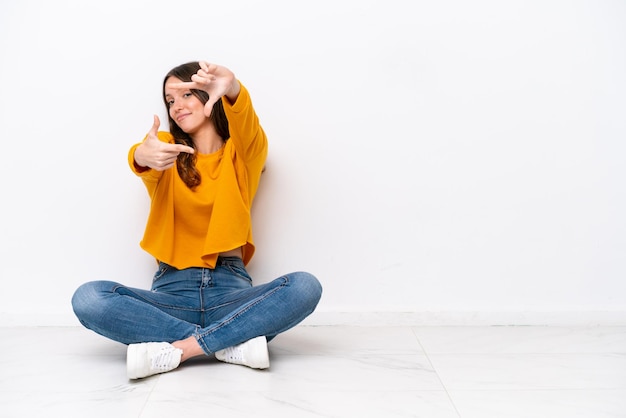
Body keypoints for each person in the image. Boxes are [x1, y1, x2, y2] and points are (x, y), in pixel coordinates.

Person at [71, 61, 322, 380]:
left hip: (230, 292)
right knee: (89, 297)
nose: (176, 106)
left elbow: (246, 123)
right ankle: (230, 341)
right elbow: (143, 154)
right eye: (170, 100)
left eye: (187, 94)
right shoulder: (167, 152)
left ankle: (183, 349)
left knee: (304, 286)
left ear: (209, 96)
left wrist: (232, 89)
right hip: (170, 294)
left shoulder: (242, 155)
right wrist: (141, 156)